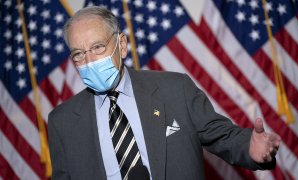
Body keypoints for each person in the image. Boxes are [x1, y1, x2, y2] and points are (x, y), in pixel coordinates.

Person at [48, 6, 281, 180]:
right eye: (78, 54)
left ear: (121, 45)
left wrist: (249, 148)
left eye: (98, 47)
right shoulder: (62, 121)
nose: (89, 61)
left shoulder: (174, 89)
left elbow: (222, 136)